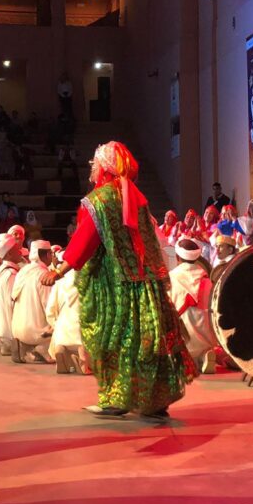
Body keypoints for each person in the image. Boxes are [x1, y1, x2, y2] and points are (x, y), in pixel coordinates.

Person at [42, 141, 197, 419]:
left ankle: (117, 399)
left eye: (95, 164)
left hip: (116, 287)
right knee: (147, 342)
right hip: (146, 285)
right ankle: (154, 401)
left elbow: (85, 239)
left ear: (105, 167)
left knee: (115, 340)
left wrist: (59, 270)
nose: (92, 169)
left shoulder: (100, 199)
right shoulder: (136, 197)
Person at [169, 239, 216, 374]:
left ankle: (189, 358)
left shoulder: (172, 276)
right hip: (207, 334)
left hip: (186, 334)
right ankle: (205, 354)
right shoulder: (206, 278)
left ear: (177, 257)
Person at [10, 239, 55, 363]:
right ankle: (41, 349)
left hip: (16, 330)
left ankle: (25, 346)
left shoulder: (22, 272)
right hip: (37, 333)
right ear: (47, 255)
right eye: (51, 254)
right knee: (64, 327)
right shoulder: (44, 275)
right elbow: (49, 306)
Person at [46, 249, 88, 374]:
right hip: (81, 333)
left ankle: (61, 349)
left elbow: (50, 310)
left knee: (60, 341)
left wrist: (55, 326)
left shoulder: (59, 282)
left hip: (62, 332)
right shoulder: (90, 280)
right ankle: (83, 362)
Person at [0, 233, 23, 356]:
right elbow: (13, 304)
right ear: (9, 254)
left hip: (3, 330)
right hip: (10, 334)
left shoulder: (1, 271)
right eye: (17, 249)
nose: (20, 251)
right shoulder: (11, 274)